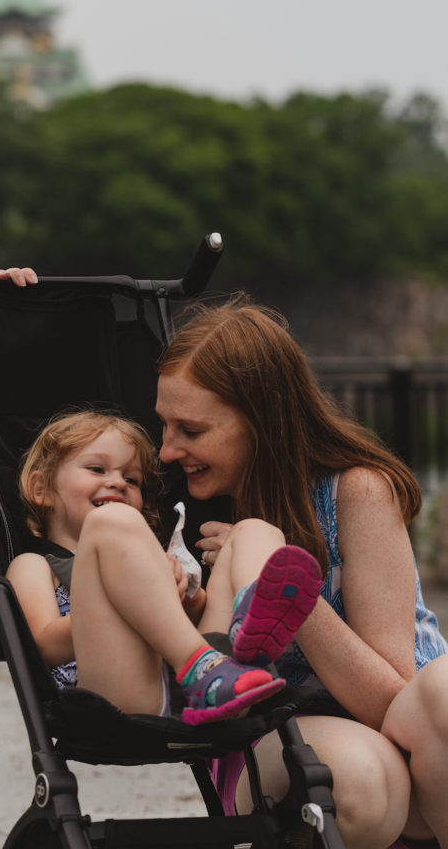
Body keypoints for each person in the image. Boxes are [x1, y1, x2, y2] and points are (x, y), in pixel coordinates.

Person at [155, 295, 448, 849]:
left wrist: (287, 590)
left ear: (260, 421)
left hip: (418, 737)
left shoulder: (356, 491)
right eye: (163, 425)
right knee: (356, 783)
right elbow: (64, 480)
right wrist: (20, 295)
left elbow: (396, 702)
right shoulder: (175, 512)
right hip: (278, 738)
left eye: (189, 430)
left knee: (444, 688)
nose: (167, 450)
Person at [5, 409, 322, 724]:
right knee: (111, 521)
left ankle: (252, 623)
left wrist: (188, 600)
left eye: (132, 479)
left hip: (211, 690)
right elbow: (42, 646)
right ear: (41, 489)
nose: (118, 482)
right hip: (120, 695)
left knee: (253, 529)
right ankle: (200, 665)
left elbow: (190, 623)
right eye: (97, 469)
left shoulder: (145, 559)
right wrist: (128, 605)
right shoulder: (33, 565)